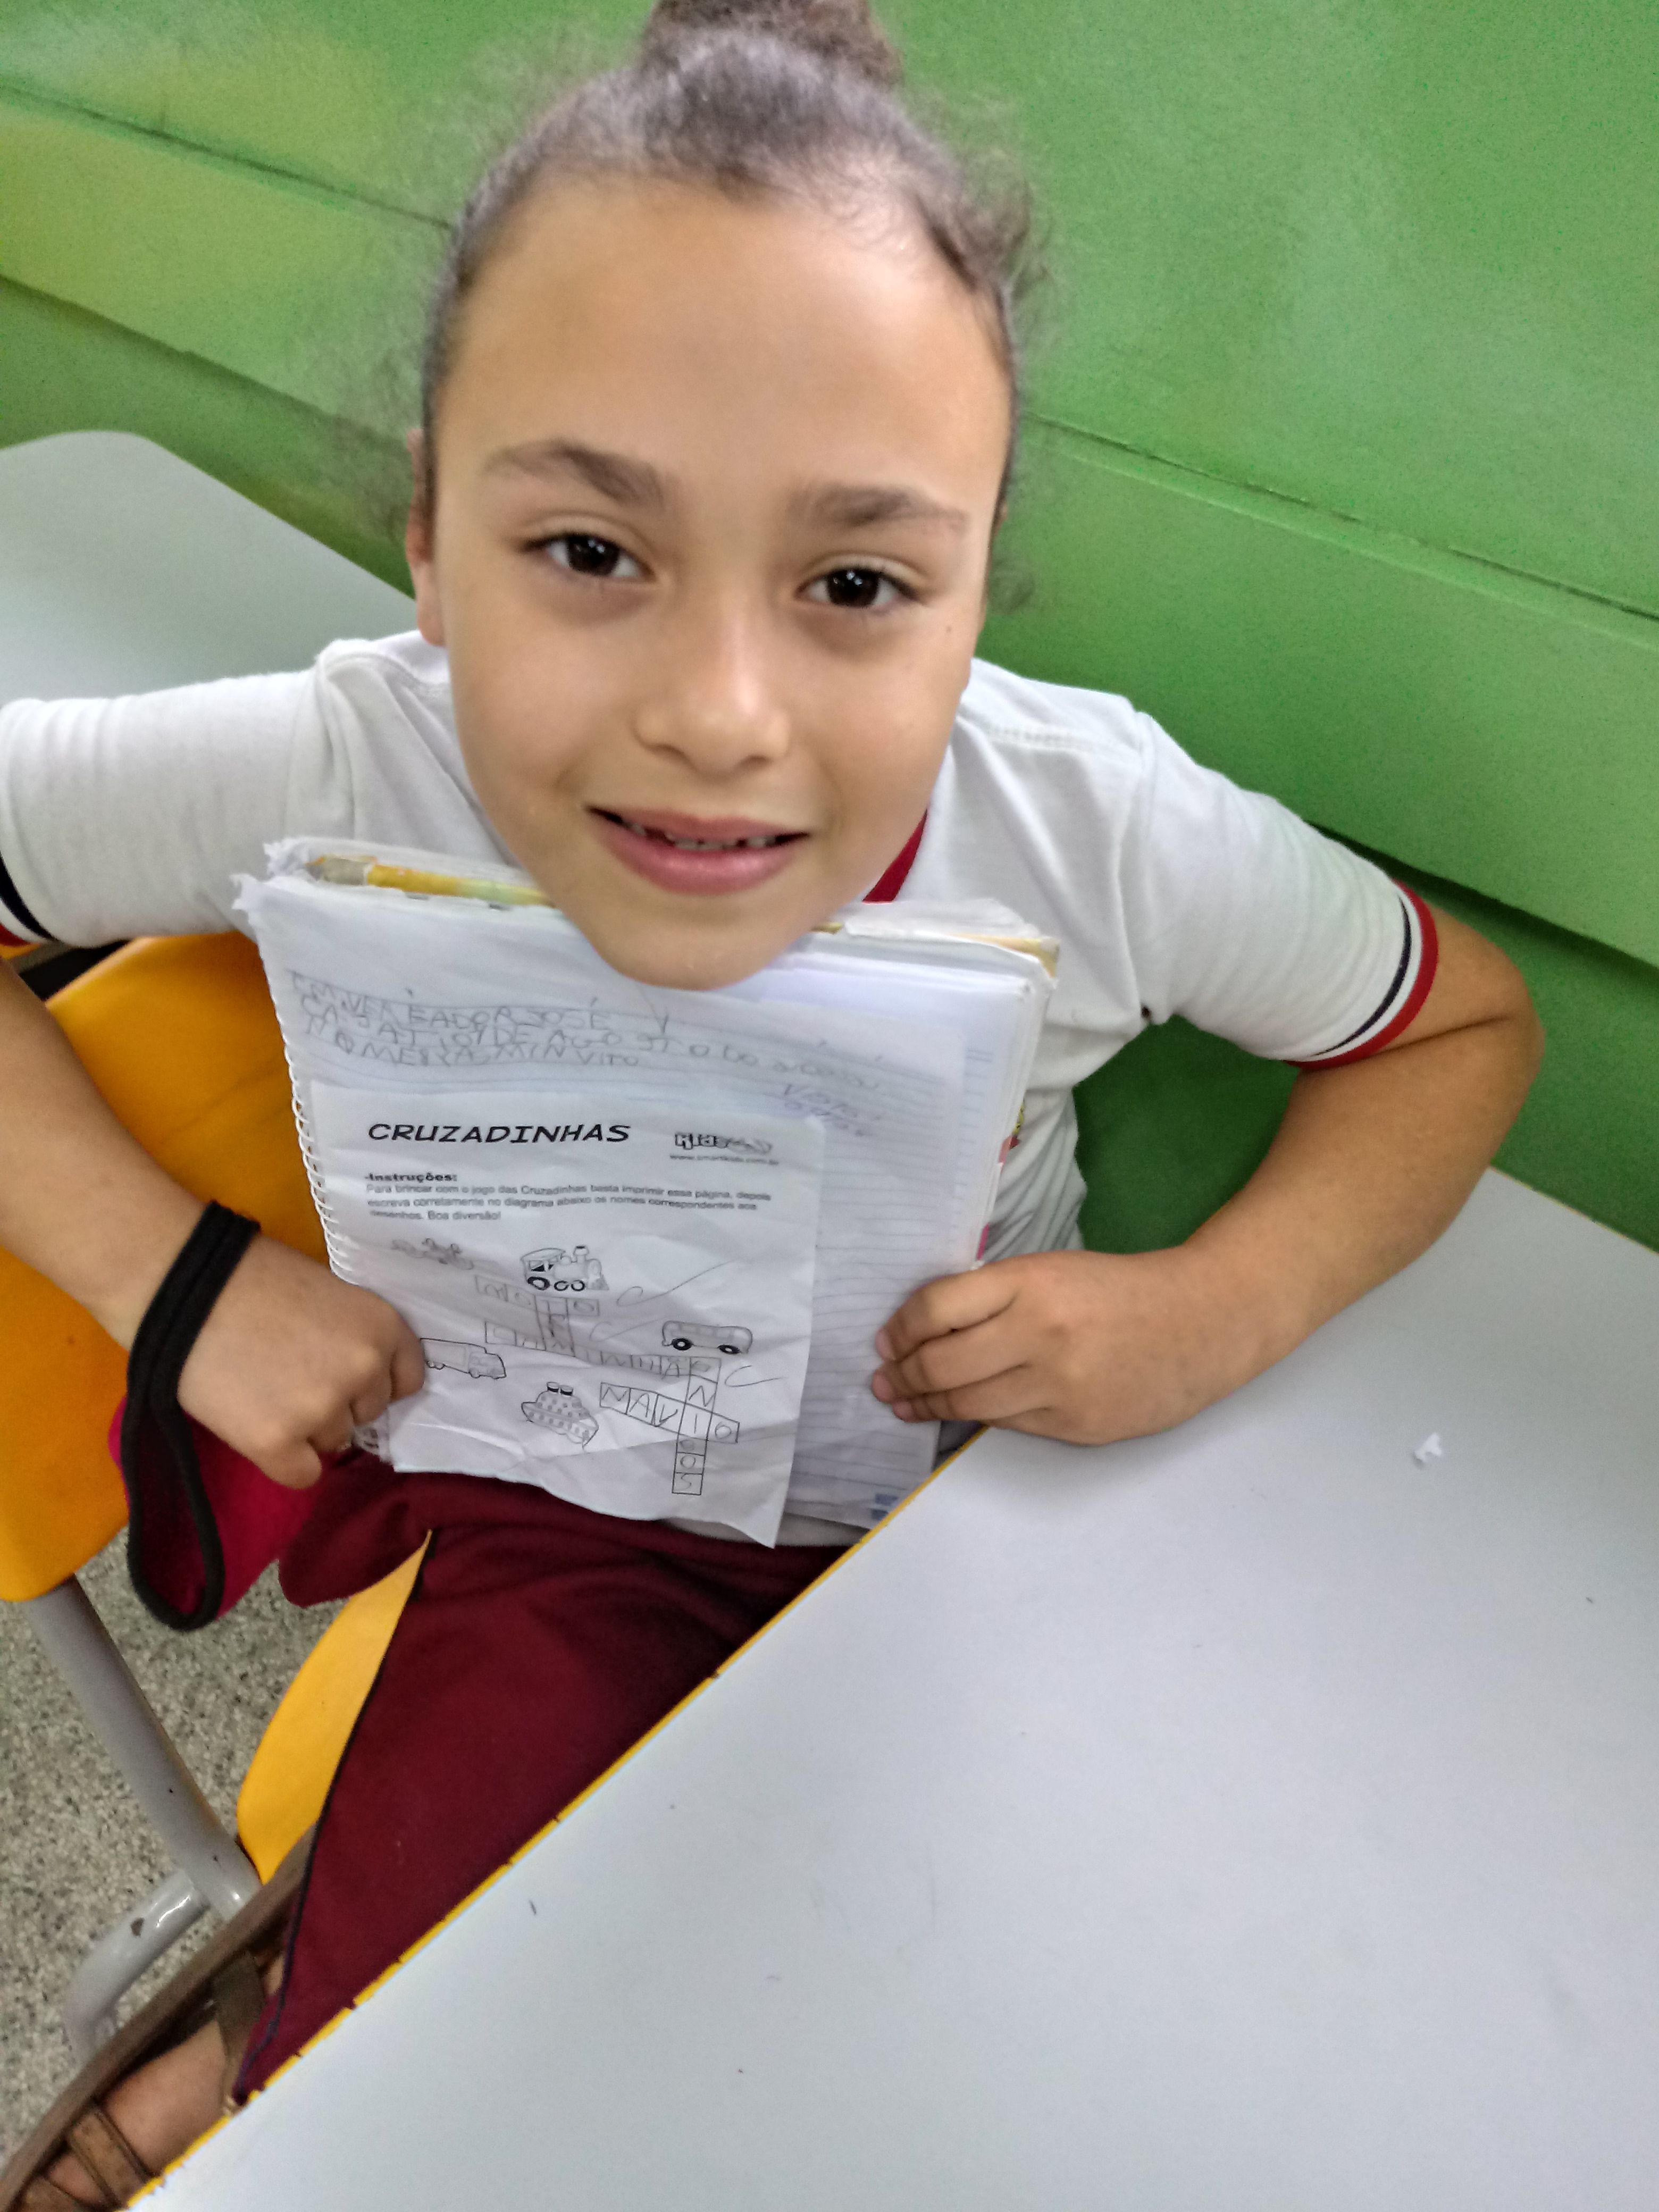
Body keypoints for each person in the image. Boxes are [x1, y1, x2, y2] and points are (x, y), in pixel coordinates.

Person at [0, 0, 1541, 2200]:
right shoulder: (348, 757)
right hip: (565, 1521)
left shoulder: (1088, 825)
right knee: (451, 2109)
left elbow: (1461, 1030)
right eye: (591, 552)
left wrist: (1216, 1304)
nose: (722, 714)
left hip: (980, 1525)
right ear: (429, 533)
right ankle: (280, 2040)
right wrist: (178, 1284)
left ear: (972, 593)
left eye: (855, 585)